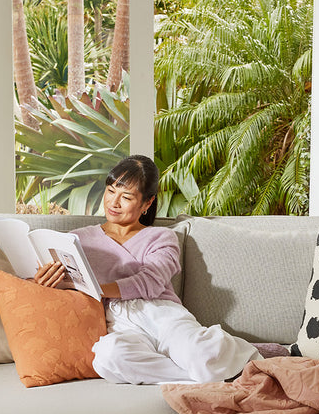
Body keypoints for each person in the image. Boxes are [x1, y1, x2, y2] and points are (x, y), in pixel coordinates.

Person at [33, 155, 260, 384]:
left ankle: (244, 359)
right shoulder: (77, 239)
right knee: (108, 357)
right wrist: (44, 280)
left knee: (201, 353)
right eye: (111, 191)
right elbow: (64, 287)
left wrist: (96, 289)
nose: (114, 202)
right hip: (118, 320)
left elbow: (151, 282)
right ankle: (204, 375)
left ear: (147, 203)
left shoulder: (162, 237)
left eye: (127, 197)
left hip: (162, 313)